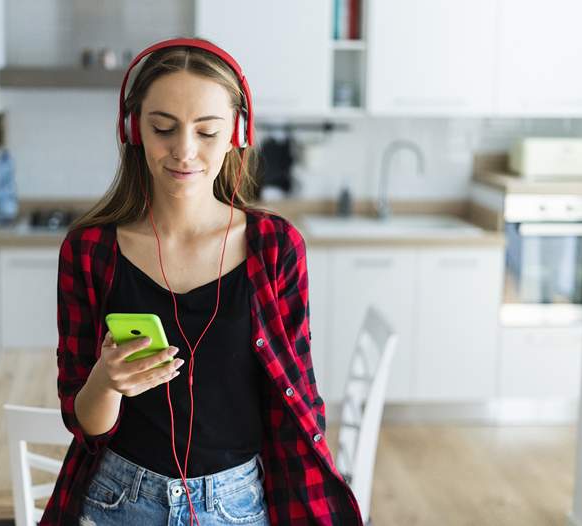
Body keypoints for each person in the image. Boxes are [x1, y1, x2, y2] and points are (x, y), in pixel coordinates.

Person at [40, 38, 362, 526]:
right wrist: (106, 383)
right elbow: (85, 423)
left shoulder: (276, 247)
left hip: (238, 503)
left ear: (238, 133)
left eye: (207, 132)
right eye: (163, 128)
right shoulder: (89, 252)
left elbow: (301, 398)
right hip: (117, 500)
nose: (184, 152)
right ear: (133, 130)